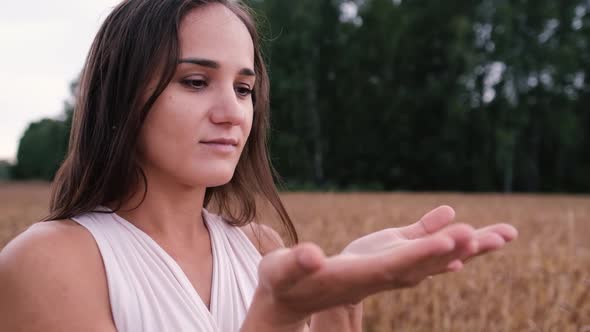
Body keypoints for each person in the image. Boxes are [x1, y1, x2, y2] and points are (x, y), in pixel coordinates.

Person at [0, 0, 518, 331]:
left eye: (244, 88)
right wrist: (278, 316)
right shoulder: (47, 265)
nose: (232, 113)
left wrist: (343, 301)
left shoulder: (259, 246)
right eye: (196, 81)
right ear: (121, 98)